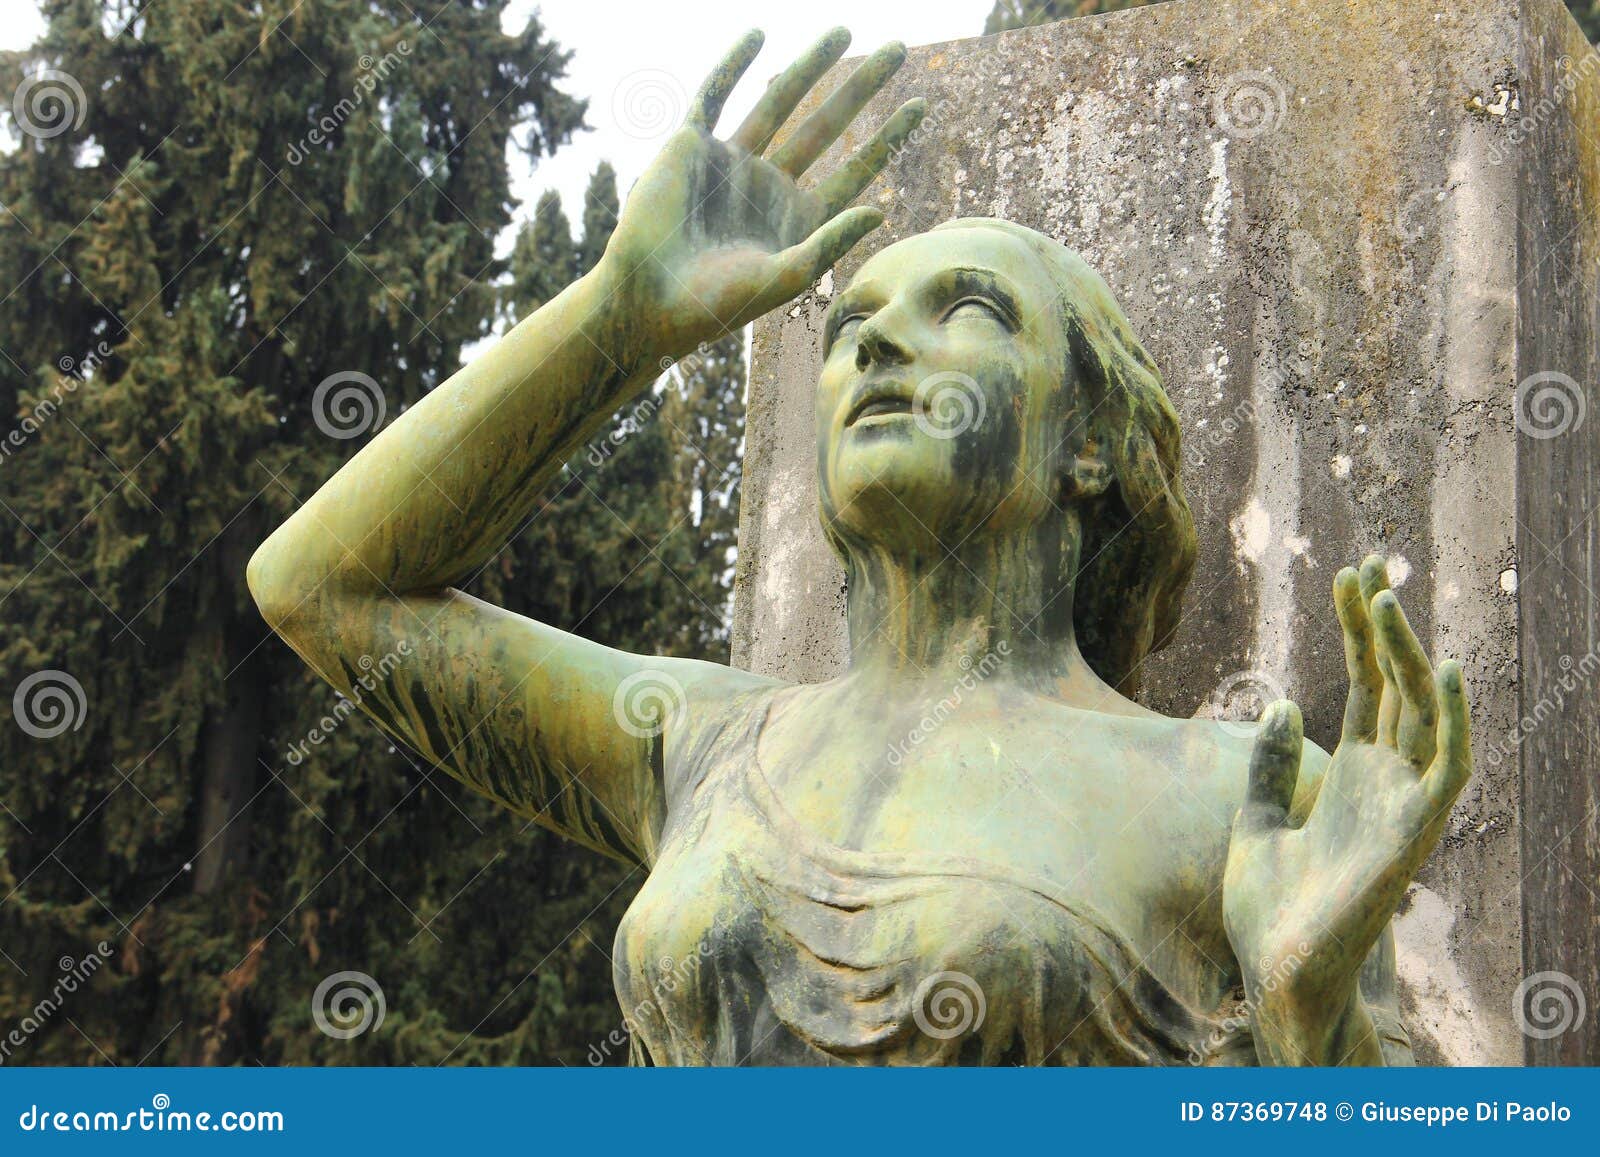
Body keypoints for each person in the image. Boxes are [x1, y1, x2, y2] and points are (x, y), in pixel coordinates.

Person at [248, 28, 1473, 1066]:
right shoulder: (704, 740)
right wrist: (617, 320)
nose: (880, 348)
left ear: (1088, 445)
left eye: (969, 311)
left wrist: (1312, 1017)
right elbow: (321, 585)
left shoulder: (1237, 790)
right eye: (850, 328)